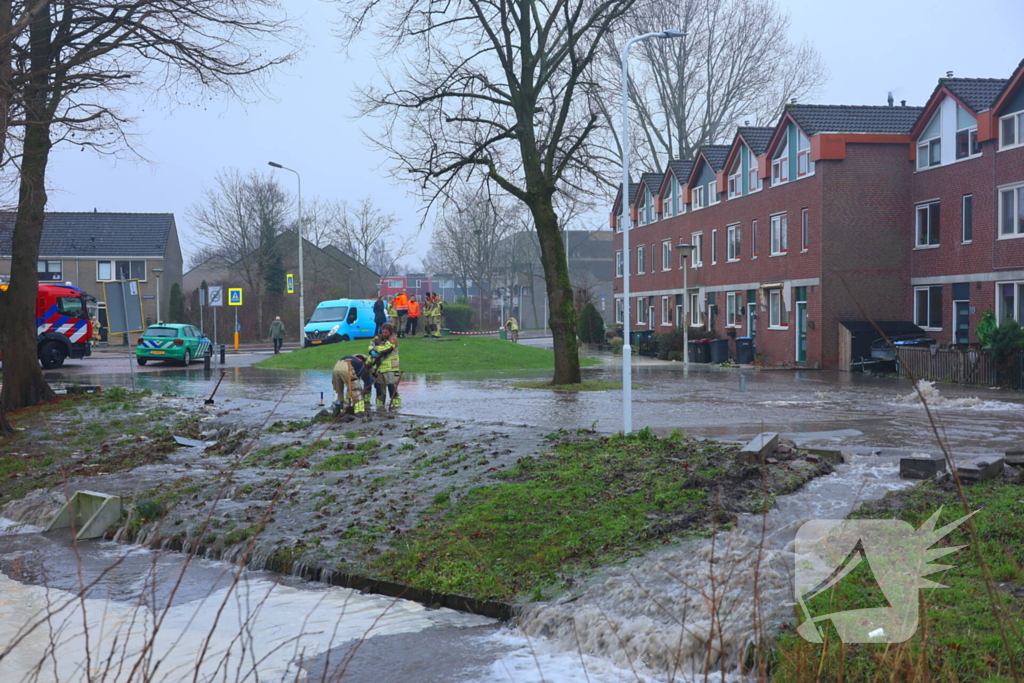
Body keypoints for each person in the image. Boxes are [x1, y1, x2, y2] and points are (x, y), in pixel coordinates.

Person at [367, 323, 401, 409]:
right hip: (380, 369)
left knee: (392, 388)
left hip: (392, 368)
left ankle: (396, 407)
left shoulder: (393, 339)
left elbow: (386, 349)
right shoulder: (378, 337)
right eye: (383, 332)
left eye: (386, 332)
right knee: (379, 389)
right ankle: (380, 407)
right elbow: (370, 345)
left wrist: (376, 348)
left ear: (390, 332)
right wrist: (372, 350)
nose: (384, 334)